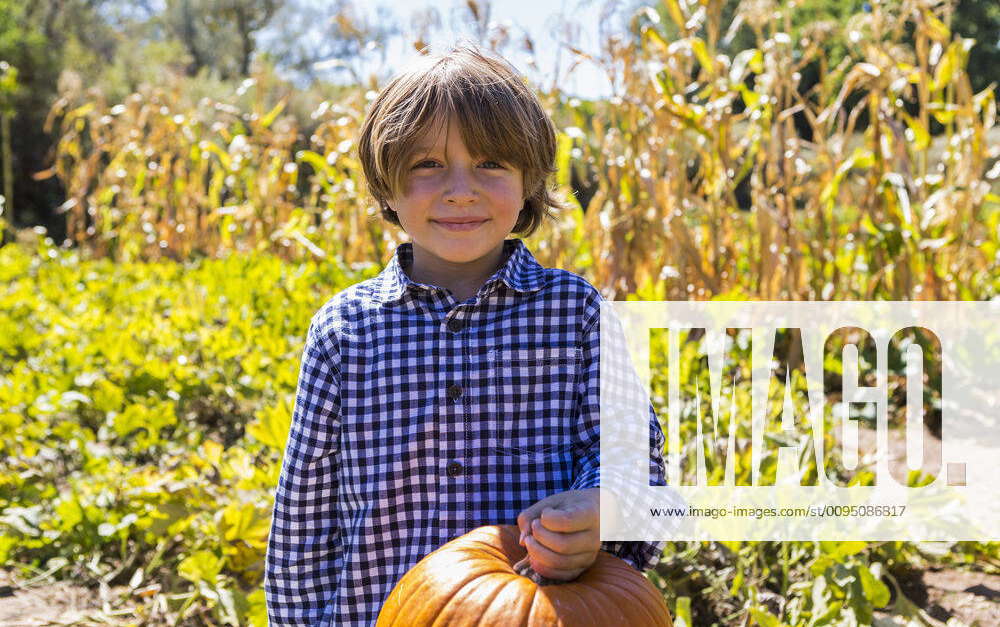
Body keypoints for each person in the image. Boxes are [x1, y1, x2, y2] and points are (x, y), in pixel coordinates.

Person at [264, 44, 668, 626]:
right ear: (386, 183)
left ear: (529, 181)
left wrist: (597, 509)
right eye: (428, 165)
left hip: (541, 608)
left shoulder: (575, 314)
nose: (460, 189)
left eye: (491, 164)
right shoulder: (346, 331)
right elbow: (306, 515)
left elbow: (630, 456)